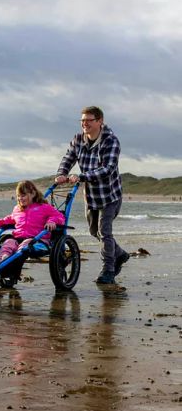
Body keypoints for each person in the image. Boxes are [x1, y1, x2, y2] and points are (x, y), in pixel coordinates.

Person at [55, 106, 128, 285]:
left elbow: (108, 168)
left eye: (89, 120)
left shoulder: (110, 141)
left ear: (100, 121)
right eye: (82, 120)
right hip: (92, 196)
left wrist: (81, 177)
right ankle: (120, 254)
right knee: (94, 231)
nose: (84, 124)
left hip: (110, 195)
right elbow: (69, 157)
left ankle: (108, 270)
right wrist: (62, 173)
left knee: (104, 231)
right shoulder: (78, 139)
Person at [0, 180, 65, 263]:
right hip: (18, 238)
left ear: (33, 194)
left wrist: (51, 221)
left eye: (23, 195)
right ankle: (1, 259)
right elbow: (9, 219)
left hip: (37, 240)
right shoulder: (17, 209)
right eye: (18, 196)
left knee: (25, 245)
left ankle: (9, 262)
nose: (20, 198)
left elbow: (59, 216)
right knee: (8, 242)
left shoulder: (44, 207)